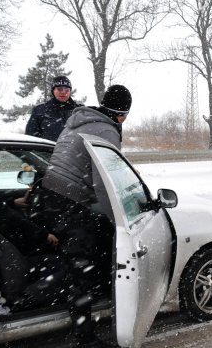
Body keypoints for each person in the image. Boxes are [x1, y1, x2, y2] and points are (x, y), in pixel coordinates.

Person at [39, 84, 131, 347]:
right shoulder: (106, 130)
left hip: (50, 195)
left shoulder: (76, 122)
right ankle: (84, 336)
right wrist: (119, 218)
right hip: (70, 201)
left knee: (74, 258)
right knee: (81, 267)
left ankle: (65, 297)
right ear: (123, 114)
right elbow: (105, 182)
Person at [0, 151, 67, 312]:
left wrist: (13, 201)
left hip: (3, 248)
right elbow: (9, 217)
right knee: (59, 263)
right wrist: (44, 234)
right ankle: (27, 301)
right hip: (6, 251)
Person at [25, 75, 83, 141]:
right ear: (53, 91)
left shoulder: (80, 110)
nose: (63, 92)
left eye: (66, 90)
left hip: (75, 150)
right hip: (48, 150)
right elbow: (30, 137)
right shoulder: (40, 110)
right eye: (59, 89)